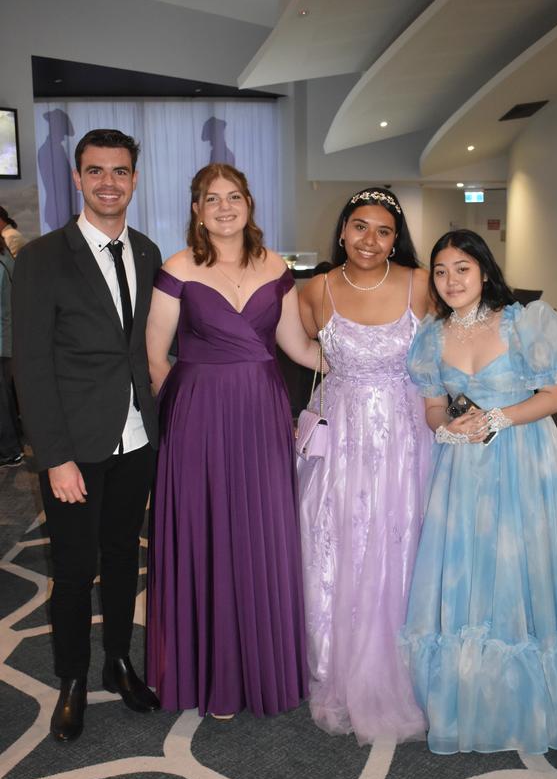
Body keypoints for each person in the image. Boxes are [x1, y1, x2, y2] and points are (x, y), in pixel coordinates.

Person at [401, 229, 557, 756]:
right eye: (441, 271)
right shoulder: (430, 335)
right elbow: (432, 406)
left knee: (525, 565)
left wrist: (496, 417)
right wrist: (446, 427)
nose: (450, 281)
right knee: (471, 569)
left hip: (524, 459)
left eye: (461, 268)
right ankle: (476, 690)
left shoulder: (523, 322)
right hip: (462, 467)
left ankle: (538, 691)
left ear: (484, 271)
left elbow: (556, 396)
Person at [145, 163, 321, 718]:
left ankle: (259, 667)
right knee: (208, 533)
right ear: (196, 210)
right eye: (211, 198)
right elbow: (154, 353)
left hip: (263, 412)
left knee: (260, 531)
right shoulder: (177, 267)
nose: (224, 207)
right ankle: (210, 673)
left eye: (234, 196)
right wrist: (182, 406)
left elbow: (296, 345)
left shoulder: (277, 267)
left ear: (250, 203)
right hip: (197, 413)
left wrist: (366, 366)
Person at [12, 128, 162, 742]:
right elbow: (32, 366)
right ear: (77, 179)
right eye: (95, 171)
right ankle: (72, 679)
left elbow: (149, 349)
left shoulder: (149, 252)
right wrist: (55, 458)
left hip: (136, 440)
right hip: (75, 448)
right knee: (74, 569)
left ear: (133, 178)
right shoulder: (42, 257)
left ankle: (119, 661)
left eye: (120, 171)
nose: (108, 182)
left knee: (126, 556)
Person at [298, 188, 435, 744]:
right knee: (340, 544)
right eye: (359, 227)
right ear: (342, 231)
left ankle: (405, 667)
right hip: (343, 435)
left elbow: (451, 344)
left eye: (382, 231)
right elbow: (299, 346)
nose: (370, 240)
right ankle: (338, 665)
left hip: (406, 438)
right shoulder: (317, 288)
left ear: (396, 238)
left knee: (402, 542)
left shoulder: (420, 283)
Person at [0, 237, 22, 466]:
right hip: (8, 340)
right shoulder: (7, 259)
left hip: (3, 341)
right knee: (5, 399)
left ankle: (9, 450)